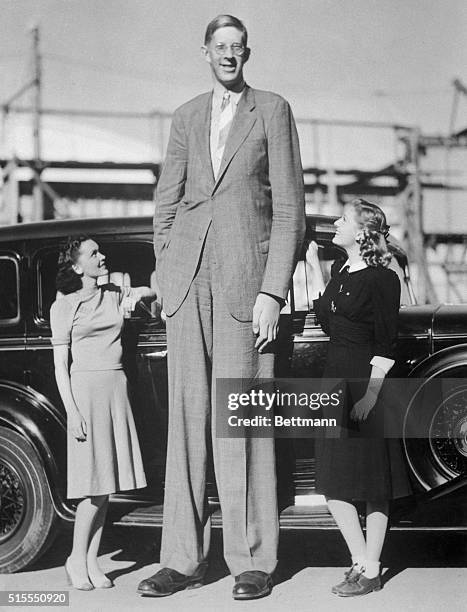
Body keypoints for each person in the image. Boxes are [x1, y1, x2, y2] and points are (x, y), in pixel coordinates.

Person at [137, 14, 305, 601]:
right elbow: (166, 204)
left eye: (237, 48)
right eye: (220, 47)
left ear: (247, 53)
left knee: (244, 421)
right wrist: (165, 272)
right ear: (205, 53)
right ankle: (182, 559)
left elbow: (289, 211)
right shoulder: (186, 117)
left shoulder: (273, 110)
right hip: (186, 288)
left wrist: (271, 291)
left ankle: (253, 559)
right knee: (185, 423)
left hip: (246, 288)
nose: (229, 55)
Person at [305, 199, 411, 597]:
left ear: (362, 231)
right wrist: (315, 267)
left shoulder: (383, 279)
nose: (335, 223)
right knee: (333, 483)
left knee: (373, 483)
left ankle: (371, 568)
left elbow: (386, 342)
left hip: (366, 385)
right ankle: (362, 562)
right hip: (334, 381)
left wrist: (370, 396)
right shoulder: (341, 271)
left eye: (342, 219)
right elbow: (329, 322)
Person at [50, 236, 156, 590]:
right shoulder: (63, 306)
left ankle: (92, 560)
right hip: (86, 392)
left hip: (115, 388)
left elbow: (149, 294)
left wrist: (142, 294)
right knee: (92, 486)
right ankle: (75, 558)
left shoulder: (113, 293)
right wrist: (72, 411)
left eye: (100, 251)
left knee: (106, 484)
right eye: (93, 253)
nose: (102, 256)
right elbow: (60, 366)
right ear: (78, 266)